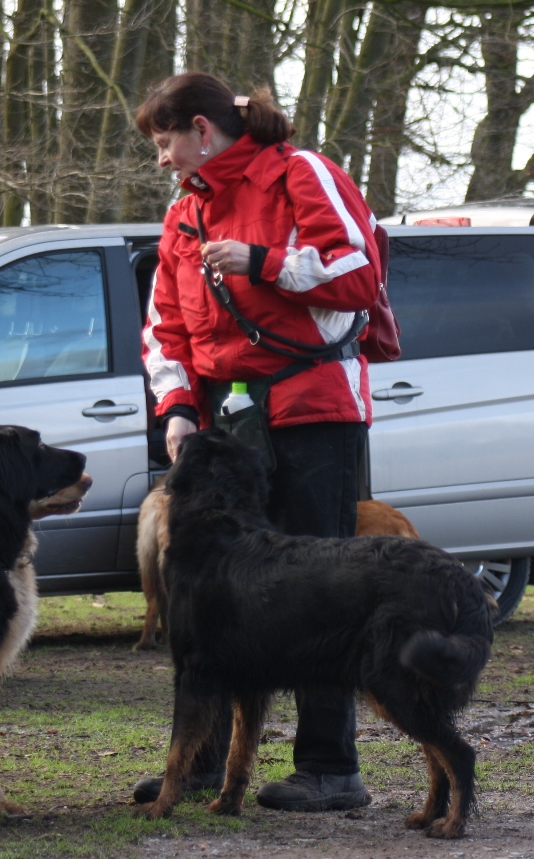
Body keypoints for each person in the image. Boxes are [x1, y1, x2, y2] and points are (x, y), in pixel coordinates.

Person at [135, 72, 382, 812]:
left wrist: (264, 262)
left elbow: (358, 274)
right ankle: (197, 763)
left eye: (165, 142)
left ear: (202, 130)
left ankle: (330, 770)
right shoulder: (183, 212)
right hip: (223, 422)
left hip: (315, 411)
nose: (161, 159)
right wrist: (178, 409)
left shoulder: (302, 174)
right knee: (209, 590)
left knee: (322, 586)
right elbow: (165, 327)